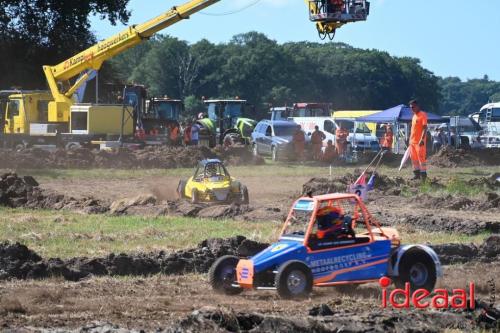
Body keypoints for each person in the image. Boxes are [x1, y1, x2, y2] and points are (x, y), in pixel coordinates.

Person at [409, 100, 428, 181]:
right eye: (410, 107)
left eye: (413, 107)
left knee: (421, 159)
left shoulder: (422, 115)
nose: (412, 109)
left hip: (419, 142)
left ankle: (423, 177)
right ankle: (416, 175)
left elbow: (425, 128)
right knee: (414, 159)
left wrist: (422, 139)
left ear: (417, 106)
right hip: (412, 142)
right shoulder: (414, 116)